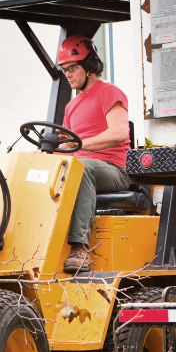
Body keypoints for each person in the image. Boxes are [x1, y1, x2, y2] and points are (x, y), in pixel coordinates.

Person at [56, 35, 131, 273]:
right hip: (82, 169)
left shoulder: (109, 93)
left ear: (89, 67)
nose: (67, 74)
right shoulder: (71, 106)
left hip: (115, 170)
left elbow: (120, 132)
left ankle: (79, 248)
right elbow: (68, 147)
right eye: (64, 69)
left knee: (82, 168)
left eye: (72, 68)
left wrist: (79, 146)